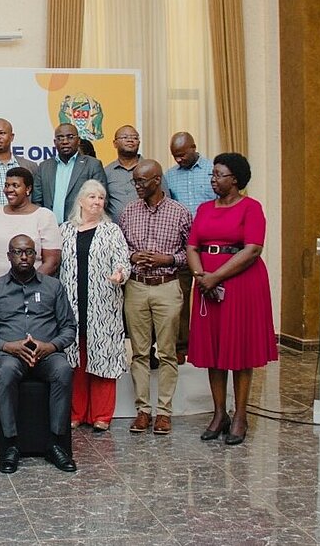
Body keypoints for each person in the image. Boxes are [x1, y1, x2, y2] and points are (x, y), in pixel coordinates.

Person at [187, 153, 278, 446]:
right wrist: (202, 276)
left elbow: (252, 250)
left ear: (235, 179)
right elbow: (192, 246)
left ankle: (240, 415)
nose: (212, 179)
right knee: (214, 351)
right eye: (212, 174)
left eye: (218, 174)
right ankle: (219, 414)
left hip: (241, 283)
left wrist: (216, 277)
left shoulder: (251, 208)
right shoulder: (203, 209)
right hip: (205, 284)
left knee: (238, 351)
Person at [0, 234, 77, 474]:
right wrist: (8, 346)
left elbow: (69, 328)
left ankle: (56, 444)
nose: (24, 256)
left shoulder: (53, 286)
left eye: (29, 252)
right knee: (7, 371)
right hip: (9, 355)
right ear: (9, 256)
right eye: (18, 252)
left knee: (63, 369)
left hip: (47, 355)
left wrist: (50, 347)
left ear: (36, 255)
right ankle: (10, 445)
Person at [119, 159, 192, 435]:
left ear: (157, 180)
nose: (136, 185)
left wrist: (167, 258)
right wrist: (132, 256)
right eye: (135, 181)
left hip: (167, 286)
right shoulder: (128, 212)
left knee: (167, 352)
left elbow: (190, 252)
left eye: (141, 181)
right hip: (136, 287)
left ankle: (164, 412)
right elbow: (120, 247)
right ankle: (142, 410)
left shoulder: (180, 213)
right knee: (139, 352)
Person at [57, 180, 130, 432]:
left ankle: (101, 415)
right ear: (80, 200)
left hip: (103, 306)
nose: (97, 201)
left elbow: (123, 262)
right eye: (92, 197)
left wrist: (119, 274)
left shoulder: (112, 230)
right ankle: (76, 412)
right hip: (71, 305)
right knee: (74, 360)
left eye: (101, 197)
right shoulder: (65, 230)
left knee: (102, 359)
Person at [165, 131, 216, 363]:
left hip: (213, 244)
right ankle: (182, 347)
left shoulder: (213, 170)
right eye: (175, 156)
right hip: (184, 246)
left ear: (194, 147)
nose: (178, 160)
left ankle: (211, 342)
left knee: (214, 293)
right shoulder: (170, 176)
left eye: (182, 154)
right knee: (182, 296)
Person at [0, 167, 61, 281]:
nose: (9, 190)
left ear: (28, 189)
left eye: (15, 185)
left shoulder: (45, 216)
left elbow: (52, 262)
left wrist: (27, 285)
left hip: (32, 290)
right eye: (6, 185)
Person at [33, 123, 106, 225]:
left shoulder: (92, 165)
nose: (65, 141)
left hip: (81, 228)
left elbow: (101, 199)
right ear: (55, 142)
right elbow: (36, 201)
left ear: (78, 140)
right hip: (50, 228)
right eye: (60, 138)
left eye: (70, 137)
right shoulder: (44, 167)